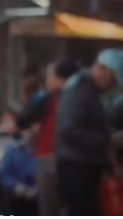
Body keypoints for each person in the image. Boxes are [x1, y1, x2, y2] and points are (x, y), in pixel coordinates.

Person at [55, 49, 123, 215]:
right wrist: (105, 140)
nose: (112, 84)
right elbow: (68, 129)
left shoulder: (91, 90)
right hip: (77, 167)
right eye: (112, 78)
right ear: (104, 69)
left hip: (85, 166)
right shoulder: (80, 89)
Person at [16, 59, 80, 215]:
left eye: (50, 75)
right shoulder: (83, 98)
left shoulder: (49, 98)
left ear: (60, 78)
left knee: (48, 210)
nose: (47, 80)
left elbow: (23, 120)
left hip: (48, 158)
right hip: (75, 162)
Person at [0, 125, 39, 216]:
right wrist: (19, 188)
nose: (36, 128)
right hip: (18, 200)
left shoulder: (52, 152)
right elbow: (4, 176)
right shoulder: (14, 150)